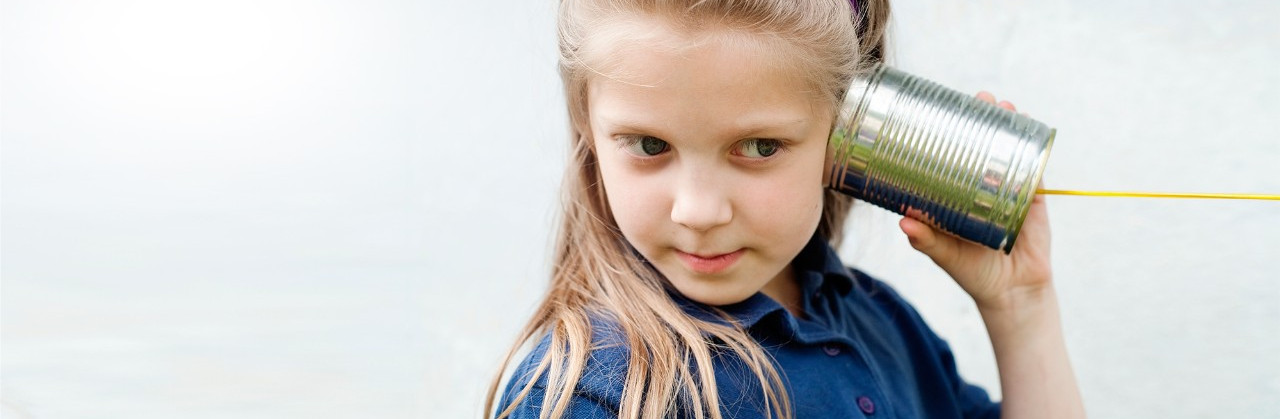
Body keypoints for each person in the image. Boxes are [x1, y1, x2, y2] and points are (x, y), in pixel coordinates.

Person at [486, 0, 1085, 417]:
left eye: (758, 147)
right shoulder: (592, 395)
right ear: (588, 129)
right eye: (648, 146)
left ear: (844, 134)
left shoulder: (884, 324)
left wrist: (1021, 306)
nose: (699, 211)